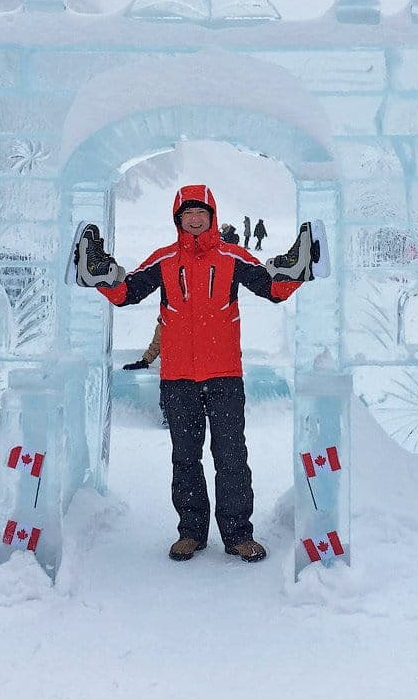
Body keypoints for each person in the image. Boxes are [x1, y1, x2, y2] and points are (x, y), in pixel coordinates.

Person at [72, 185, 323, 563]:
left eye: (200, 213)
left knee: (231, 458)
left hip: (224, 377)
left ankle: (238, 535)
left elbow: (272, 287)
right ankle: (190, 533)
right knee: (185, 459)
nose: (194, 219)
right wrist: (98, 273)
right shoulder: (164, 259)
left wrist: (300, 267)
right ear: (178, 219)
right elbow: (128, 292)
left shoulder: (232, 257)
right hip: (178, 380)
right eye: (187, 213)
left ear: (212, 217)